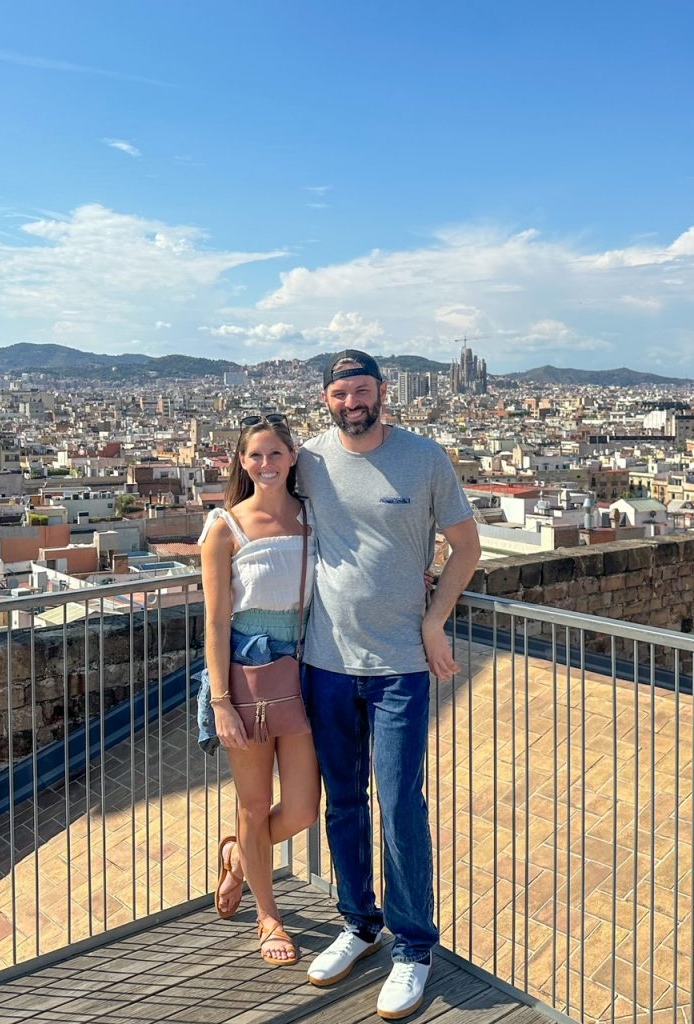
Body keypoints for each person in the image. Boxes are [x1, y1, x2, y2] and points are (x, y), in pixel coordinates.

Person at [297, 351, 480, 1019]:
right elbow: (257, 502)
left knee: (401, 806)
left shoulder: (425, 457)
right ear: (327, 399)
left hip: (401, 663)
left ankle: (412, 947)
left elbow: (466, 546)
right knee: (343, 801)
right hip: (325, 661)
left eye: (362, 389)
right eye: (341, 391)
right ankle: (358, 923)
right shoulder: (309, 460)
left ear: (382, 391)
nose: (352, 400)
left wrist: (436, 620)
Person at [197, 413, 319, 966]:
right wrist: (220, 702)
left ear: (293, 457)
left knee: (301, 809)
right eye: (255, 456)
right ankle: (269, 917)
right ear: (240, 463)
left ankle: (240, 860)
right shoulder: (225, 526)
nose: (266, 464)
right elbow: (217, 621)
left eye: (275, 453)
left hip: (303, 667)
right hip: (248, 673)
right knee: (252, 805)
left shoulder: (313, 517)